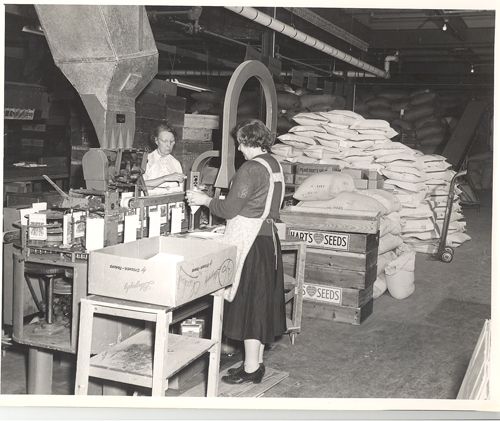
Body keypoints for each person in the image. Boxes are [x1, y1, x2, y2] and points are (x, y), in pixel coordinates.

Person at [186, 119, 286, 385]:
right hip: (268, 242)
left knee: (251, 305)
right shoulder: (273, 164)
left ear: (249, 142)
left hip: (251, 244)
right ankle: (256, 363)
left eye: (241, 143)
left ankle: (251, 369)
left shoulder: (251, 168)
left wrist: (204, 200)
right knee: (261, 303)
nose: (239, 149)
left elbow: (229, 209)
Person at [143, 123, 186, 195]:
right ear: (156, 141)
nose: (168, 145)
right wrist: (165, 178)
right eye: (165, 141)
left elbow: (181, 188)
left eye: (171, 141)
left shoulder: (176, 163)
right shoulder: (146, 160)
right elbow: (141, 186)